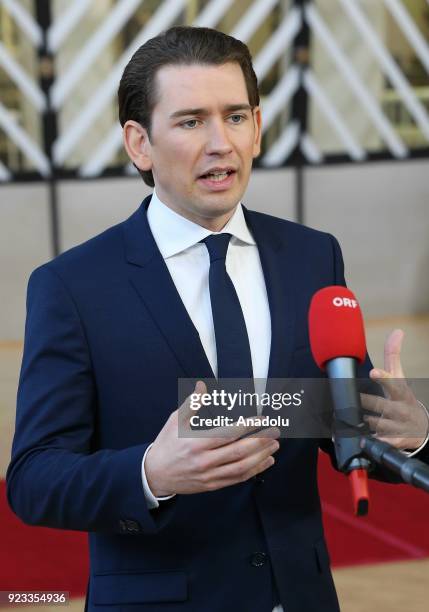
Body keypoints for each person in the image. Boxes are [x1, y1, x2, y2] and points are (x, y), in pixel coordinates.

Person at [7, 26, 429, 612]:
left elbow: (341, 426)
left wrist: (409, 432)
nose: (220, 143)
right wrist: (151, 473)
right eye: (190, 121)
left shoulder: (312, 257)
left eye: (235, 117)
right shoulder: (72, 287)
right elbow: (34, 480)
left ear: (257, 127)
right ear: (139, 144)